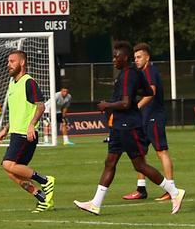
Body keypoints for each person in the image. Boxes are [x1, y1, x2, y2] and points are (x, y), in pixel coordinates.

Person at [74, 42, 184, 216]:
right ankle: (95, 203)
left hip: (129, 125)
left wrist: (107, 105)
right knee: (110, 162)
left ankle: (174, 192)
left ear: (124, 58)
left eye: (116, 56)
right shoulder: (132, 74)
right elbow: (148, 92)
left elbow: (125, 103)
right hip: (120, 125)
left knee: (140, 165)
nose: (113, 60)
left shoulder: (128, 75)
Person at [0, 50, 56, 213]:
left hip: (26, 134)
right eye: (8, 61)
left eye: (12, 61)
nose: (9, 64)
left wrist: (31, 125)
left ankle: (45, 180)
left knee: (8, 164)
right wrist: (5, 129)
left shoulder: (29, 82)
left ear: (22, 63)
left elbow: (41, 106)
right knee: (10, 170)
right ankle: (42, 198)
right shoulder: (12, 84)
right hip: (15, 133)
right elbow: (17, 111)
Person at [123, 43, 175, 200]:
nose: (136, 60)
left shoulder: (150, 70)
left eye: (139, 57)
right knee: (139, 154)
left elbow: (152, 92)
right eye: (135, 58)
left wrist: (136, 107)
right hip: (143, 118)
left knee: (161, 151)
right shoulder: (140, 74)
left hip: (154, 117)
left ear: (147, 57)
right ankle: (141, 189)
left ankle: (171, 189)